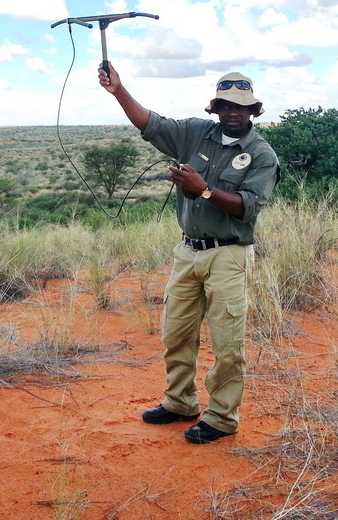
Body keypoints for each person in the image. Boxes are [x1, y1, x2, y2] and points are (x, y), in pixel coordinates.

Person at [98, 61, 279, 444]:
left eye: (241, 106)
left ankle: (222, 417)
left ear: (252, 110)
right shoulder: (195, 133)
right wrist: (119, 91)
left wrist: (204, 190)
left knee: (228, 342)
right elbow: (150, 123)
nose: (233, 112)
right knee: (176, 333)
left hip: (228, 255)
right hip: (187, 252)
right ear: (215, 108)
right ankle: (180, 402)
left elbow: (248, 206)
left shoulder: (262, 154)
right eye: (226, 105)